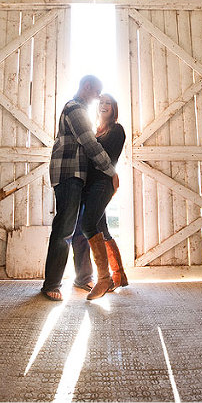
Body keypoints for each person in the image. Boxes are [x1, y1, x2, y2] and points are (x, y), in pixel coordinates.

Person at [41, 75, 119, 301]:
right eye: (96, 92)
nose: (98, 98)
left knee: (80, 231)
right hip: (69, 174)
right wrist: (111, 171)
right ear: (87, 87)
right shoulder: (75, 109)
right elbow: (90, 144)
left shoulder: (82, 111)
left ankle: (83, 278)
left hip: (80, 177)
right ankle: (51, 284)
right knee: (65, 228)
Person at [70, 93, 127, 299]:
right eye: (101, 102)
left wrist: (89, 143)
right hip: (91, 185)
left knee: (88, 225)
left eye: (108, 103)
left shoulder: (116, 130)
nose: (104, 106)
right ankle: (119, 275)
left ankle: (104, 279)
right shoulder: (96, 131)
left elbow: (105, 157)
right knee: (102, 228)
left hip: (103, 183)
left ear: (114, 109)